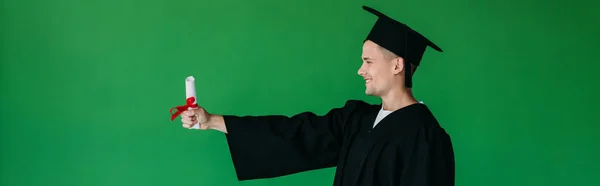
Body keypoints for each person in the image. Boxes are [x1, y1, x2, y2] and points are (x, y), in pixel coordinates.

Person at [179, 5, 455, 186]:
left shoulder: (426, 139)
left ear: (397, 65)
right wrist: (212, 120)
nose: (360, 70)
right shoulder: (357, 120)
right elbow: (295, 134)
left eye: (368, 61)